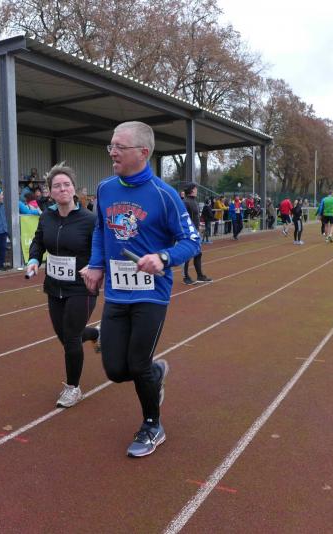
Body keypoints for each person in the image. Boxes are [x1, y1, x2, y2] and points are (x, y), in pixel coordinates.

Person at [80, 121, 199, 458]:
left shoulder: (165, 195)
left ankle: (152, 425)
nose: (112, 152)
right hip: (117, 291)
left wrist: (163, 257)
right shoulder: (105, 189)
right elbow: (101, 231)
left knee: (137, 363)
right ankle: (157, 373)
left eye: (120, 147)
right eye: (111, 146)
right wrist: (96, 264)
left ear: (143, 152)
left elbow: (191, 241)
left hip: (151, 293)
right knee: (116, 370)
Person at [26, 163, 100, 408]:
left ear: (74, 188)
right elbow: (38, 241)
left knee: (71, 338)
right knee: (65, 336)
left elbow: (101, 249)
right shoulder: (46, 216)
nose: (62, 189)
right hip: (54, 286)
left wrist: (93, 266)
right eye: (57, 186)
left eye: (67, 184)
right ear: (50, 192)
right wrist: (34, 259)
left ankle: (73, 388)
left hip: (82, 286)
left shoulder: (89, 219)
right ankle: (96, 334)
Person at [181, 183, 212, 284]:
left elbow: (196, 217)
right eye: (195, 189)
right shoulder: (185, 202)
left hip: (195, 232)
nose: (197, 190)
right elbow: (184, 218)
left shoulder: (194, 201)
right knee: (187, 254)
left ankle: (200, 275)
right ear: (192, 190)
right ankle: (185, 276)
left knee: (198, 254)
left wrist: (199, 226)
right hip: (188, 233)